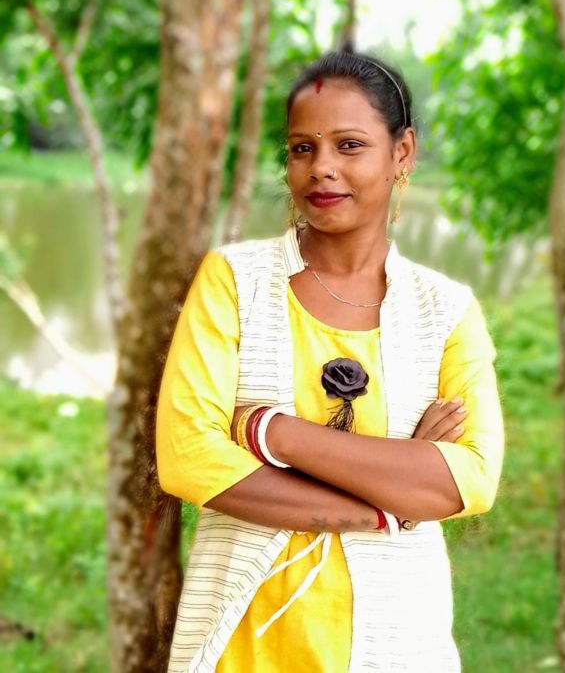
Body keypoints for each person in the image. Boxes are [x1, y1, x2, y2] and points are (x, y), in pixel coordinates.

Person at [156, 50, 504, 673]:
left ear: (402, 153)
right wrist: (392, 502)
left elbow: (470, 479)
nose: (321, 167)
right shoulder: (233, 281)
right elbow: (187, 458)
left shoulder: (445, 311)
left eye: (349, 145)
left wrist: (270, 432)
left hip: (399, 646)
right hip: (242, 645)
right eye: (302, 148)